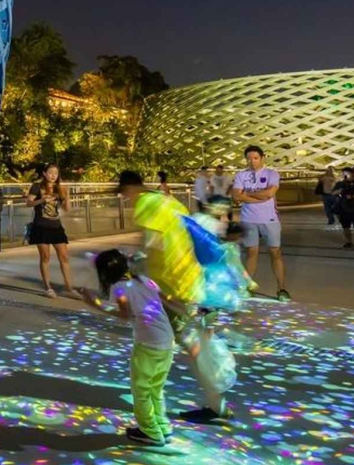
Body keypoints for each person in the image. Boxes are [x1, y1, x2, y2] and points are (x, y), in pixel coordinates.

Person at [117, 171, 231, 424]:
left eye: (125, 194)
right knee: (187, 341)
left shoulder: (146, 204)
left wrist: (134, 265)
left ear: (129, 189)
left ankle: (213, 403)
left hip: (174, 288)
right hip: (189, 279)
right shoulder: (167, 199)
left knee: (183, 343)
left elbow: (152, 244)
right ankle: (215, 400)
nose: (127, 200)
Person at [81, 248, 174, 446]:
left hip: (148, 344)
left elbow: (124, 315)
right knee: (156, 388)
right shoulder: (144, 280)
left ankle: (150, 431)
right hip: (167, 341)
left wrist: (95, 304)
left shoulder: (119, 287)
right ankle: (162, 425)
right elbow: (167, 299)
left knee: (140, 391)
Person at [231, 146, 287, 300]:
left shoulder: (272, 174)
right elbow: (236, 196)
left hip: (270, 219)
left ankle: (281, 289)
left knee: (275, 252)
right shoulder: (241, 175)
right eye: (249, 158)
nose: (252, 161)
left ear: (262, 158)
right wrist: (258, 197)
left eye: (255, 158)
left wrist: (247, 193)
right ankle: (248, 287)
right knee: (251, 253)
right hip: (248, 219)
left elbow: (270, 193)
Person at [28, 164, 73, 297]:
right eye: (51, 172)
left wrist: (67, 194)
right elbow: (28, 203)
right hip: (41, 226)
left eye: (56, 173)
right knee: (45, 257)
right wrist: (41, 200)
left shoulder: (59, 188)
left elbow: (67, 209)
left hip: (56, 226)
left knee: (64, 256)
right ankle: (48, 287)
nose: (53, 175)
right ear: (44, 173)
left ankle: (69, 288)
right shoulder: (37, 186)